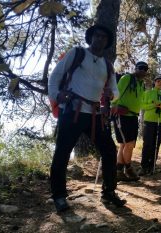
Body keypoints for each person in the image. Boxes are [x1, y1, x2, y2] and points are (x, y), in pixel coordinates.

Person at [48, 24, 126, 212]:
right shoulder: (77, 53)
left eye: (104, 37)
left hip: (94, 115)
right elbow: (56, 75)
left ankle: (108, 192)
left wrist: (111, 94)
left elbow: (115, 90)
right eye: (97, 36)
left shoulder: (107, 65)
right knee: (62, 152)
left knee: (108, 150)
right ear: (91, 37)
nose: (100, 39)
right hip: (72, 111)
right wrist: (57, 96)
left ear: (107, 42)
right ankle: (59, 196)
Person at [112, 61, 147, 182]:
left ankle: (119, 171)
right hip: (122, 115)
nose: (143, 70)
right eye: (140, 68)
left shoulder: (141, 84)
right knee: (128, 144)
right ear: (135, 68)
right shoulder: (127, 78)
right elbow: (116, 92)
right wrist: (113, 107)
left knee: (125, 144)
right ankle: (128, 169)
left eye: (145, 69)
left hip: (133, 116)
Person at [139, 77, 161, 175]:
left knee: (156, 145)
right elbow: (142, 106)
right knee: (147, 144)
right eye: (158, 81)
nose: (159, 83)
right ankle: (143, 167)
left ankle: (152, 166)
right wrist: (153, 106)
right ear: (154, 82)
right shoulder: (147, 93)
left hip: (160, 122)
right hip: (149, 121)